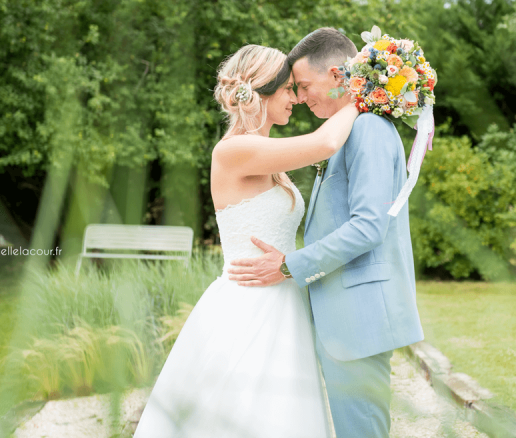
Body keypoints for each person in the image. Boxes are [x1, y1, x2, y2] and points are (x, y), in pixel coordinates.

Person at [132, 43, 358, 438]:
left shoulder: (268, 155)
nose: (297, 98)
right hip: (248, 304)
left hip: (282, 298)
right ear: (262, 91)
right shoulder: (234, 150)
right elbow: (324, 143)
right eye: (289, 89)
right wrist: (366, 96)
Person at [228, 28, 425, 438]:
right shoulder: (343, 132)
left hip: (359, 318)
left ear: (338, 76)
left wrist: (288, 266)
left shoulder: (367, 128)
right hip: (341, 317)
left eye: (302, 86)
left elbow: (369, 226)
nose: (300, 97)